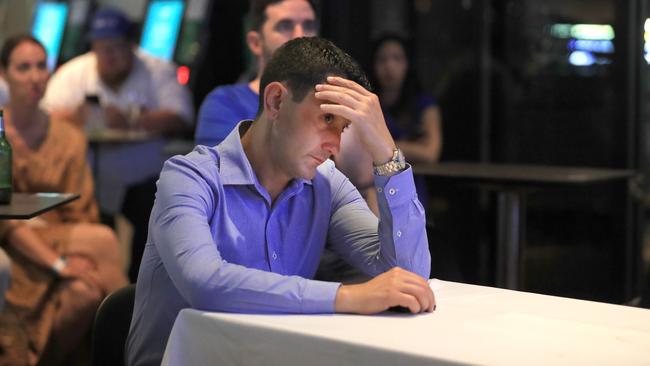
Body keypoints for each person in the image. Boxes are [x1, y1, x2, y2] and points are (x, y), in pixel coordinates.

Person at [126, 37, 435, 366]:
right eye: (327, 119)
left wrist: (387, 153)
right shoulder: (189, 177)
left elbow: (409, 277)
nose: (334, 145)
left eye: (343, 128)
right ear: (275, 102)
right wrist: (348, 296)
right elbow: (205, 283)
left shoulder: (325, 183)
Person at [0, 34, 127, 366]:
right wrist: (57, 263)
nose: (35, 76)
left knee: (85, 291)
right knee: (104, 240)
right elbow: (5, 220)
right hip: (14, 246)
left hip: (63, 238)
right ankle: (136, 347)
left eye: (41, 66)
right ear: (4, 74)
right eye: (23, 67)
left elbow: (81, 210)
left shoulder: (69, 138)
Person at [41, 8, 194, 282]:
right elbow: (45, 115)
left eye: (115, 48)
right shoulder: (74, 72)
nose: (108, 56)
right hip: (87, 178)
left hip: (144, 180)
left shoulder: (156, 70)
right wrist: (76, 116)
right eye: (101, 48)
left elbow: (181, 116)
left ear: (131, 47)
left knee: (154, 214)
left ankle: (137, 286)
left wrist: (137, 120)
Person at [194, 0, 317, 146]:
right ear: (256, 43)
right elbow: (224, 166)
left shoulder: (329, 99)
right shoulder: (225, 102)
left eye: (308, 25)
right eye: (285, 26)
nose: (300, 36)